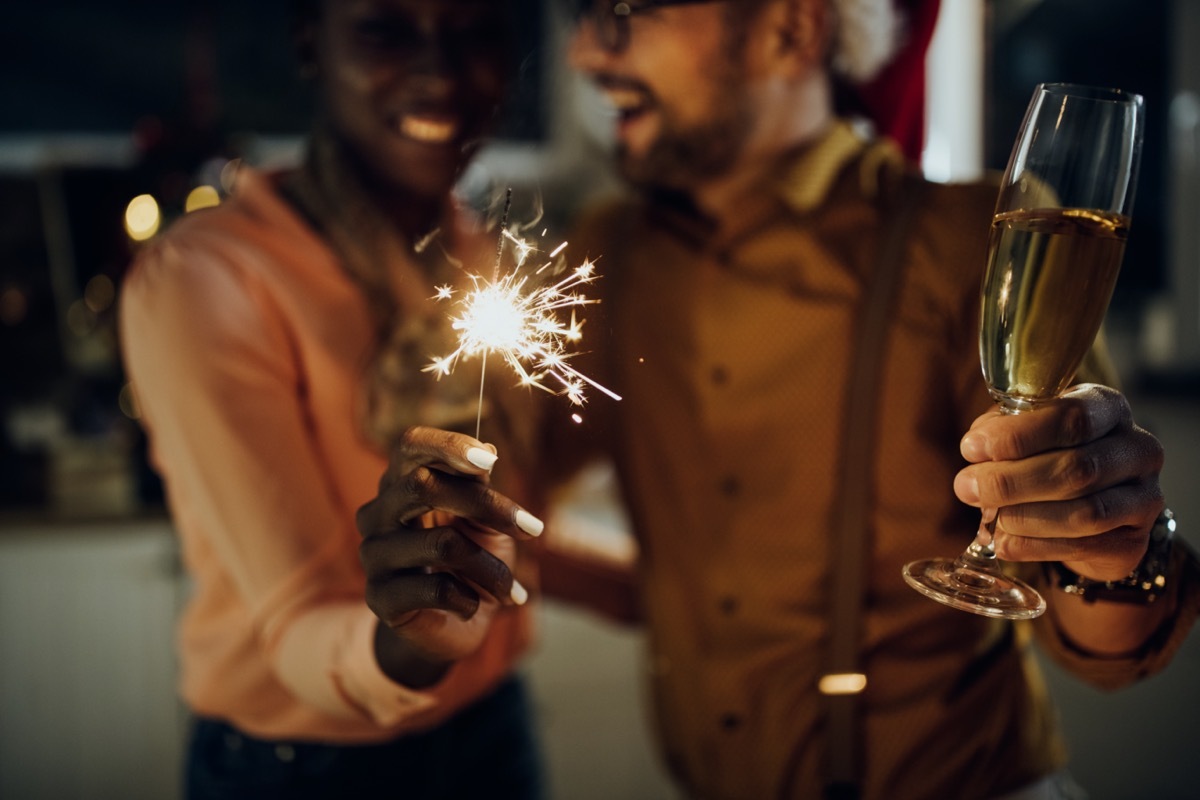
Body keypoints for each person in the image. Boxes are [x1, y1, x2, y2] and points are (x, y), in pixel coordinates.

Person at [361, 0, 1200, 798]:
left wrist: (1117, 546)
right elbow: (505, 473)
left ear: (790, 29)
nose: (586, 52)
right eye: (586, 16)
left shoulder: (962, 244)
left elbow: (1107, 648)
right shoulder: (611, 254)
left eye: (629, 10)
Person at [118, 1, 548, 797]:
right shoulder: (208, 282)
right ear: (311, 42)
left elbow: (510, 532)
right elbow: (298, 627)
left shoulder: (476, 255)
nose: (440, 72)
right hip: (305, 768)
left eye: (472, 30)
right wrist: (416, 642)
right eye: (387, 28)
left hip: (492, 728)